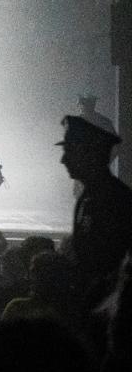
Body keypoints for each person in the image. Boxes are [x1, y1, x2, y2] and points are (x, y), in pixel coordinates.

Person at [57, 114, 132, 310]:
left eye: (69, 151)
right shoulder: (91, 197)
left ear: (89, 154)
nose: (63, 160)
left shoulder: (115, 200)